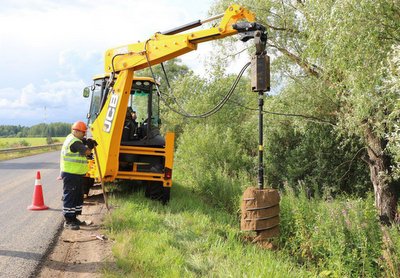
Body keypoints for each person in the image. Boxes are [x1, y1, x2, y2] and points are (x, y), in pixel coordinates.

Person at [60, 121, 97, 230]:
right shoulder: (74, 142)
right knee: (70, 196)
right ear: (76, 131)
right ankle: (68, 221)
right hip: (71, 174)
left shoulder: (73, 138)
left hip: (76, 174)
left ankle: (74, 218)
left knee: (77, 196)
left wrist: (85, 141)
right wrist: (90, 146)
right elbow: (87, 152)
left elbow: (81, 143)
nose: (84, 135)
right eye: (83, 133)